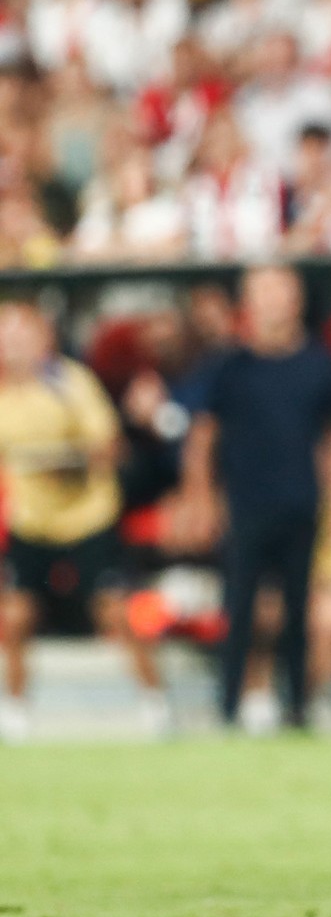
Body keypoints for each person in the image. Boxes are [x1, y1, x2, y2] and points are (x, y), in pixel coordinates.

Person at [178, 266, 331, 730]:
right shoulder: (229, 367)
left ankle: (299, 707)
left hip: (301, 503)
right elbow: (203, 437)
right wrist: (200, 499)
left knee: (299, 613)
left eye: (281, 292)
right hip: (246, 504)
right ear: (248, 305)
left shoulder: (320, 364)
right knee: (238, 610)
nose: (273, 303)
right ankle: (229, 707)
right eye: (263, 293)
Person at [0, 303, 168, 743]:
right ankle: (15, 710)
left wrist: (70, 461)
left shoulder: (69, 382)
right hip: (34, 523)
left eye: (21, 335)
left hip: (87, 518)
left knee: (117, 612)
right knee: (14, 616)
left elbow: (110, 448)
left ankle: (155, 704)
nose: (12, 345)